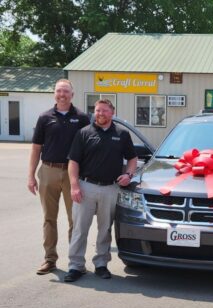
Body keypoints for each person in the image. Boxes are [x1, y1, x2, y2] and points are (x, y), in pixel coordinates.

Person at [64, 99, 137, 282]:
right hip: (85, 187)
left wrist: (128, 174)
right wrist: (74, 186)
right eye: (97, 111)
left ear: (112, 112)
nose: (100, 114)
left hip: (111, 188)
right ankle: (75, 265)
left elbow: (133, 158)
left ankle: (101, 263)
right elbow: (73, 162)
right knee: (79, 229)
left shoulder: (122, 134)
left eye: (104, 111)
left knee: (105, 229)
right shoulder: (84, 133)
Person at [28, 79, 90, 275]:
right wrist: (31, 175)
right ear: (54, 93)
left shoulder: (81, 118)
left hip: (74, 175)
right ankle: (50, 259)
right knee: (49, 218)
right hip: (48, 171)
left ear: (72, 94)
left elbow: (88, 148)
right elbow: (36, 148)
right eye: (58, 91)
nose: (62, 94)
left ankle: (75, 261)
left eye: (66, 91)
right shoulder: (44, 117)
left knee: (76, 220)